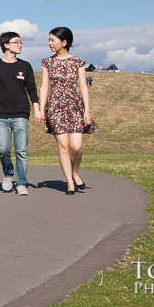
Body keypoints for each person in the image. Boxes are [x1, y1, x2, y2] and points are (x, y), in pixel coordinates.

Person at [39, 27, 98, 195]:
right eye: (49, 40)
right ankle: (70, 183)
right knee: (64, 146)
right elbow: (44, 87)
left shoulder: (78, 62)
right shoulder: (47, 62)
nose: (50, 43)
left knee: (76, 147)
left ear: (64, 42)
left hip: (74, 107)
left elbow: (83, 87)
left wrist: (87, 111)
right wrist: (42, 110)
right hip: (55, 107)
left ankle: (75, 172)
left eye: (53, 40)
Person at [0, 31, 40, 196]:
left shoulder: (25, 66)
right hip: (1, 115)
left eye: (21, 42)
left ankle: (21, 183)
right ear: (6, 45)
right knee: (3, 149)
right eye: (16, 42)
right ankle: (8, 174)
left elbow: (32, 90)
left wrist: (37, 109)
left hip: (21, 114)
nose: (20, 45)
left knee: (21, 150)